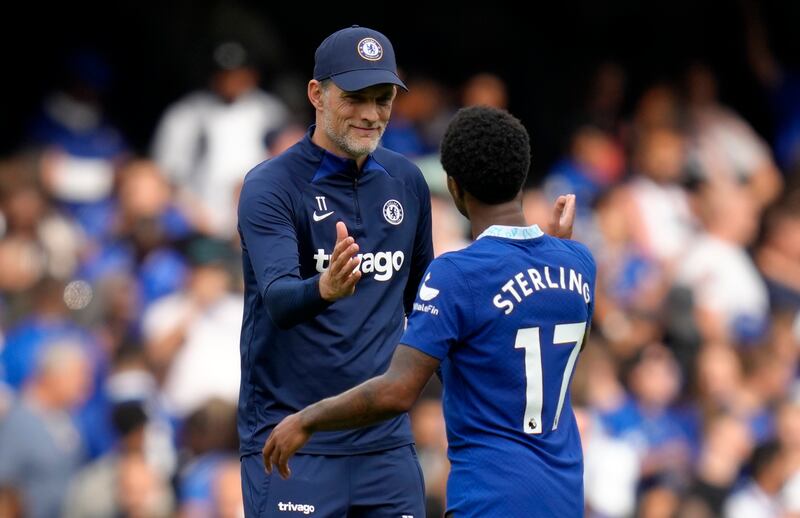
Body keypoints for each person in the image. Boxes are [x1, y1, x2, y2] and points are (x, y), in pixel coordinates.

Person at [263, 106, 592, 518]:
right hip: (564, 497)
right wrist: (560, 249)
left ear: (454, 189)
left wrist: (307, 420)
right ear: (522, 177)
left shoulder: (456, 273)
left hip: (491, 499)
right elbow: (562, 341)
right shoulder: (579, 262)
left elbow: (397, 391)